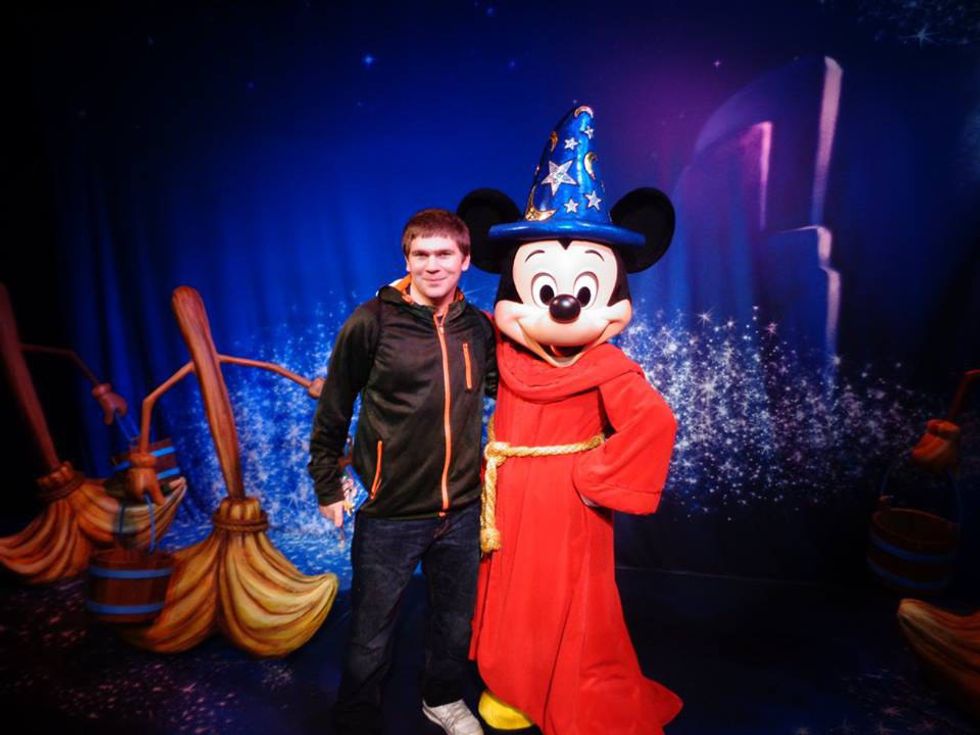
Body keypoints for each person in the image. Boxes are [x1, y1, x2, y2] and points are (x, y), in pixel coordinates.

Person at [308, 208, 495, 735]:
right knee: (371, 631)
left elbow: (504, 389)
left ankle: (442, 699)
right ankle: (357, 717)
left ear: (465, 260)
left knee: (454, 623)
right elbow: (335, 406)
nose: (433, 265)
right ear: (407, 259)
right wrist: (327, 483)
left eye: (444, 254)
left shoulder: (478, 328)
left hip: (461, 509)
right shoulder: (372, 322)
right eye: (421, 254)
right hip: (390, 511)